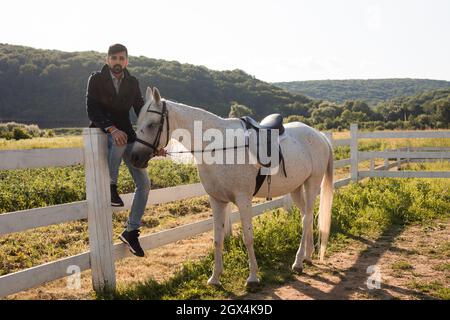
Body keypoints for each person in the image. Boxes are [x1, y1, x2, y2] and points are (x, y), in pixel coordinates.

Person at [86, 43, 166, 257]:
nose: (118, 62)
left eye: (122, 58)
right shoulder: (96, 79)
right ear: (107, 60)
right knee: (119, 139)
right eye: (114, 58)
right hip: (104, 133)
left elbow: (141, 111)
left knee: (145, 184)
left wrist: (153, 143)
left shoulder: (132, 82)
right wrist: (111, 129)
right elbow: (92, 109)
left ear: (127, 61)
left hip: (127, 136)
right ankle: (112, 187)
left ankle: (131, 231)